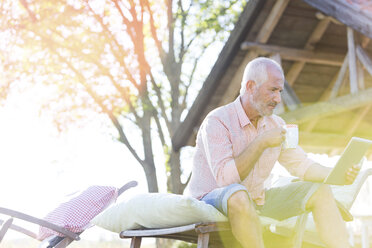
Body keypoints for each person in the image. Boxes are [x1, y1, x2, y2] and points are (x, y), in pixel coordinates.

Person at [184, 57, 360, 248]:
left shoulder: (277, 125)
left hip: (257, 201)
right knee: (238, 194)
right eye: (272, 90)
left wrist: (338, 174)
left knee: (319, 190)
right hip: (211, 200)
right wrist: (261, 142)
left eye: (280, 91)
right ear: (251, 86)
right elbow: (226, 180)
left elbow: (302, 165)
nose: (278, 99)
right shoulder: (218, 121)